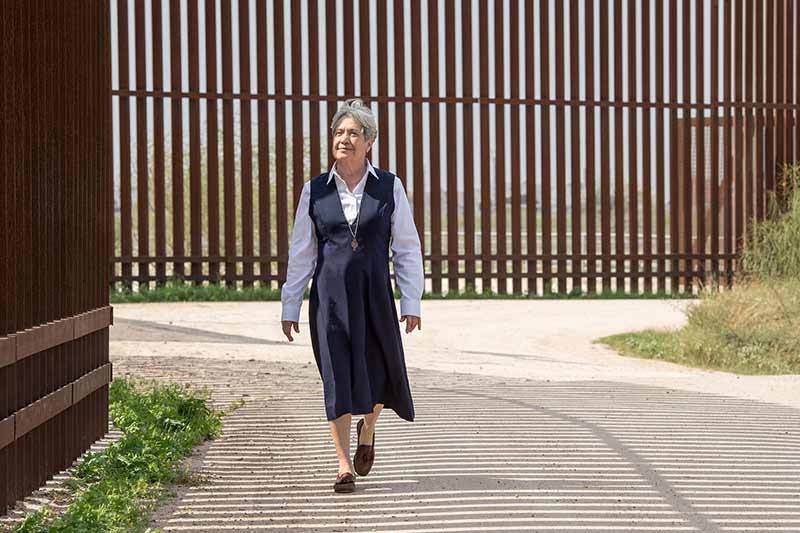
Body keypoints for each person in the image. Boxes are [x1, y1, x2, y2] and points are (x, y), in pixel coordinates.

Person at [280, 98, 424, 493]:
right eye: (339, 133)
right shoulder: (314, 190)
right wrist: (291, 303)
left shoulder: (389, 186)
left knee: (380, 371)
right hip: (330, 300)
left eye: (353, 133)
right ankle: (343, 464)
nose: (345, 139)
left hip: (375, 295)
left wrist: (411, 301)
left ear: (370, 141)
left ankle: (369, 427)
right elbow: (302, 252)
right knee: (337, 376)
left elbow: (407, 247)